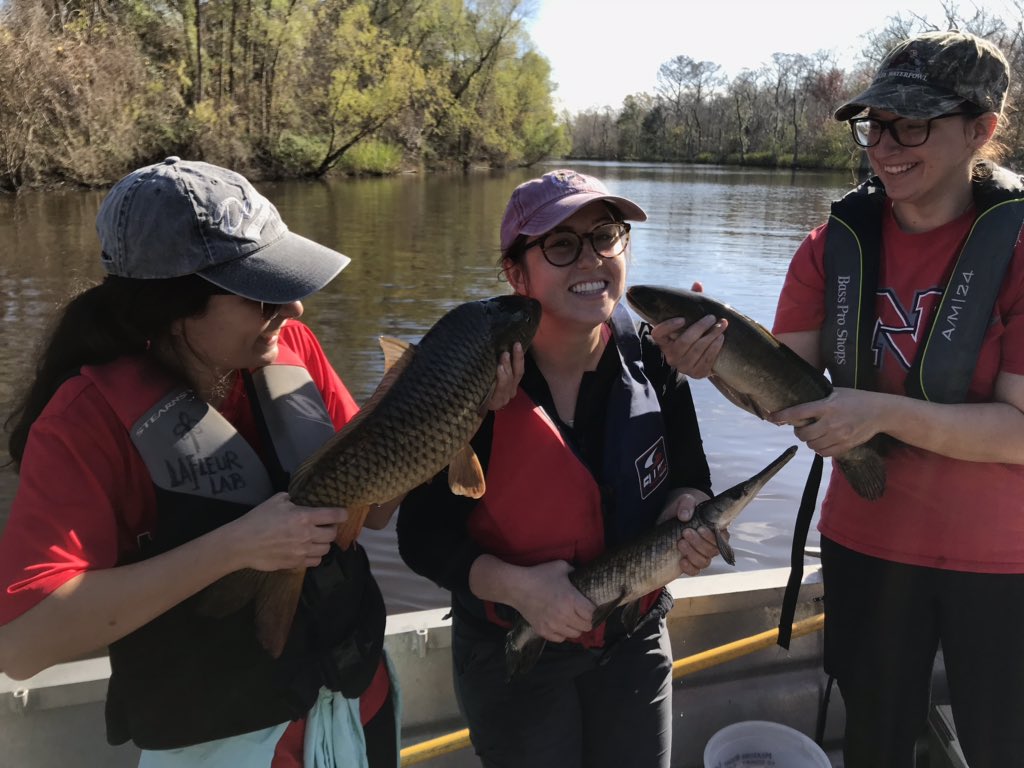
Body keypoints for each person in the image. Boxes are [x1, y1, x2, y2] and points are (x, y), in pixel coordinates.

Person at [655, 31, 1024, 768]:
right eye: (874, 124)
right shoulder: (830, 246)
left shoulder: (1016, 251)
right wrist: (710, 365)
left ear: (981, 130)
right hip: (867, 548)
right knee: (875, 742)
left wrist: (880, 412)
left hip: (1002, 564)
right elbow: (782, 395)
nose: (883, 146)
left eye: (911, 125)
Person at [0, 157, 415, 767]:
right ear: (173, 305)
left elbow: (372, 512)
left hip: (357, 707)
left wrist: (447, 418)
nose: (293, 310)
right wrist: (236, 547)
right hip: (223, 744)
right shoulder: (87, 420)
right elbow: (23, 641)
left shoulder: (290, 349)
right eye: (262, 293)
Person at [396, 169, 726, 768]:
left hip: (634, 640)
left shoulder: (655, 355)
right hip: (512, 651)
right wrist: (520, 588)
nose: (591, 260)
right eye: (561, 244)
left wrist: (686, 512)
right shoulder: (468, 377)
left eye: (605, 235)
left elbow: (689, 473)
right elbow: (420, 537)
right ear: (516, 274)